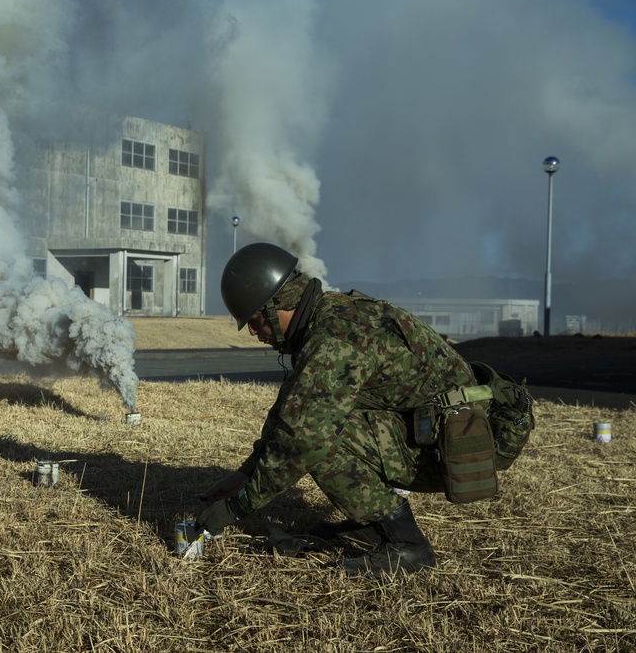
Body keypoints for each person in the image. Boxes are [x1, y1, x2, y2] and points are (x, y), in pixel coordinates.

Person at [196, 242, 481, 577]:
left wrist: (235, 507)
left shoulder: (333, 338)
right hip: (438, 430)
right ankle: (376, 527)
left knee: (320, 439)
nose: (257, 334)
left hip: (461, 444)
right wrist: (245, 474)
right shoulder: (325, 319)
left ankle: (408, 547)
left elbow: (302, 440)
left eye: (257, 322)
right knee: (314, 423)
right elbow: (289, 413)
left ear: (277, 307)